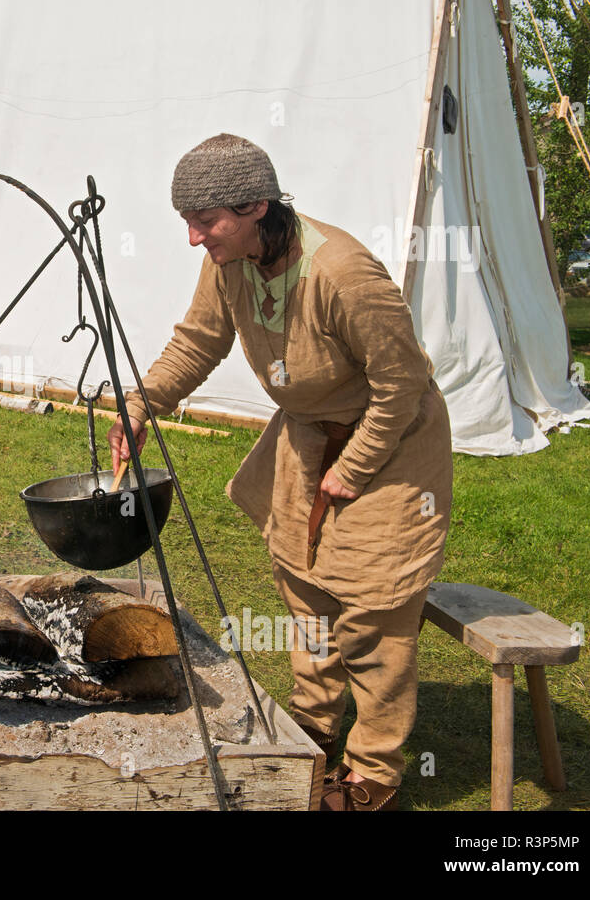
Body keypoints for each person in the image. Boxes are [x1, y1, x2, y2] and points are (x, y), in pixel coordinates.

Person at [108, 133, 452, 811]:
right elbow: (198, 341)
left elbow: (403, 381)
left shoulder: (342, 274)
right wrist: (141, 405)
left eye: (205, 221)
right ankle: (313, 732)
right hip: (306, 438)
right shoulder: (230, 262)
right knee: (306, 589)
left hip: (391, 444)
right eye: (187, 220)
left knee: (373, 611)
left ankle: (373, 775)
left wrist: (356, 464)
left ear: (256, 206)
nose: (193, 237)